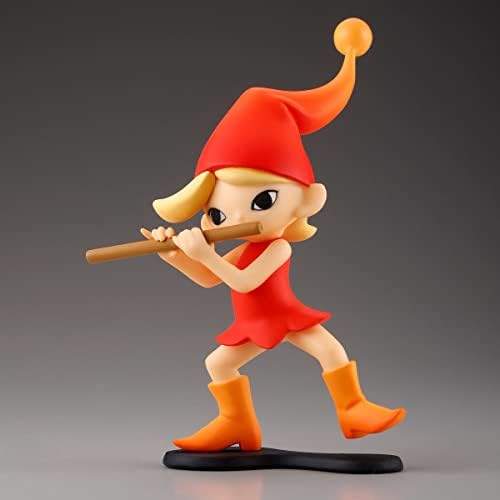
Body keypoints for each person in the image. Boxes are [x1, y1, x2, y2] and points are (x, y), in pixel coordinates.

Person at [141, 18, 405, 452]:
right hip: (253, 322)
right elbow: (208, 279)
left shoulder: (277, 247)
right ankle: (237, 424)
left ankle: (353, 408)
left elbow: (244, 281)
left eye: (262, 200)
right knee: (218, 364)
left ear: (306, 200)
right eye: (217, 212)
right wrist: (172, 255)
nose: (234, 218)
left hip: (283, 315)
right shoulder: (244, 247)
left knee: (329, 351)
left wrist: (205, 255)